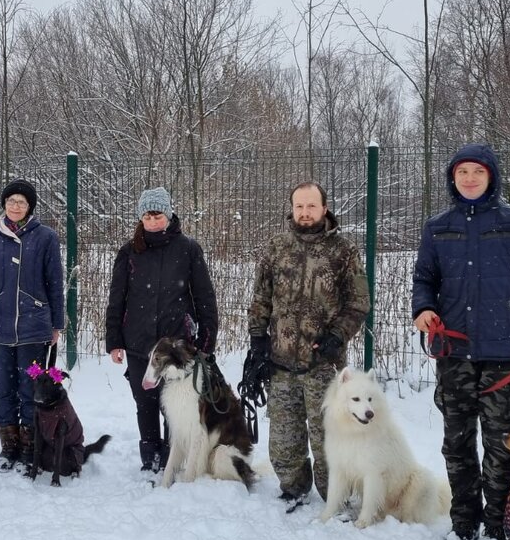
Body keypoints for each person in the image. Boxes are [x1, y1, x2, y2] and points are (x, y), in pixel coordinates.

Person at [412, 143, 510, 540]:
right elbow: (424, 279)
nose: (470, 178)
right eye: (463, 173)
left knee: (502, 447)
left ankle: (498, 526)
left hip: (505, 357)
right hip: (453, 355)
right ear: (452, 179)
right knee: (456, 444)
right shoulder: (438, 227)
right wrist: (422, 308)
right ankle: (463, 522)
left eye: (478, 171)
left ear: (491, 176)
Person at [244, 182, 370, 512]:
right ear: (292, 208)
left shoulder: (343, 251)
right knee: (284, 443)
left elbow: (359, 303)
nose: (305, 212)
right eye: (299, 206)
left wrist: (336, 336)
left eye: (311, 206)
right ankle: (294, 489)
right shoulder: (276, 248)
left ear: (324, 208)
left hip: (323, 364)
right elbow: (260, 299)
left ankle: (335, 494)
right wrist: (257, 342)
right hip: (280, 362)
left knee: (328, 438)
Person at [105, 186, 218, 472]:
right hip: (138, 343)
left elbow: (205, 297)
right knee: (145, 402)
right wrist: (114, 341)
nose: (153, 221)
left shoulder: (188, 249)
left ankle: (171, 457)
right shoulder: (129, 252)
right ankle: (150, 458)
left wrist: (206, 340)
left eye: (157, 215)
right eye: (147, 215)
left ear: (168, 215)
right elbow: (117, 298)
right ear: (140, 218)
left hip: (176, 347)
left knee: (175, 405)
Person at [0, 178, 66, 472]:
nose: (15, 206)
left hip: (34, 328)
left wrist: (56, 324)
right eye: (11, 201)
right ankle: (8, 446)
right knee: (4, 389)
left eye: (21, 202)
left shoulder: (45, 237)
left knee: (29, 389)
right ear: (4, 204)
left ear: (30, 207)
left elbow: (55, 283)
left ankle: (29, 447)